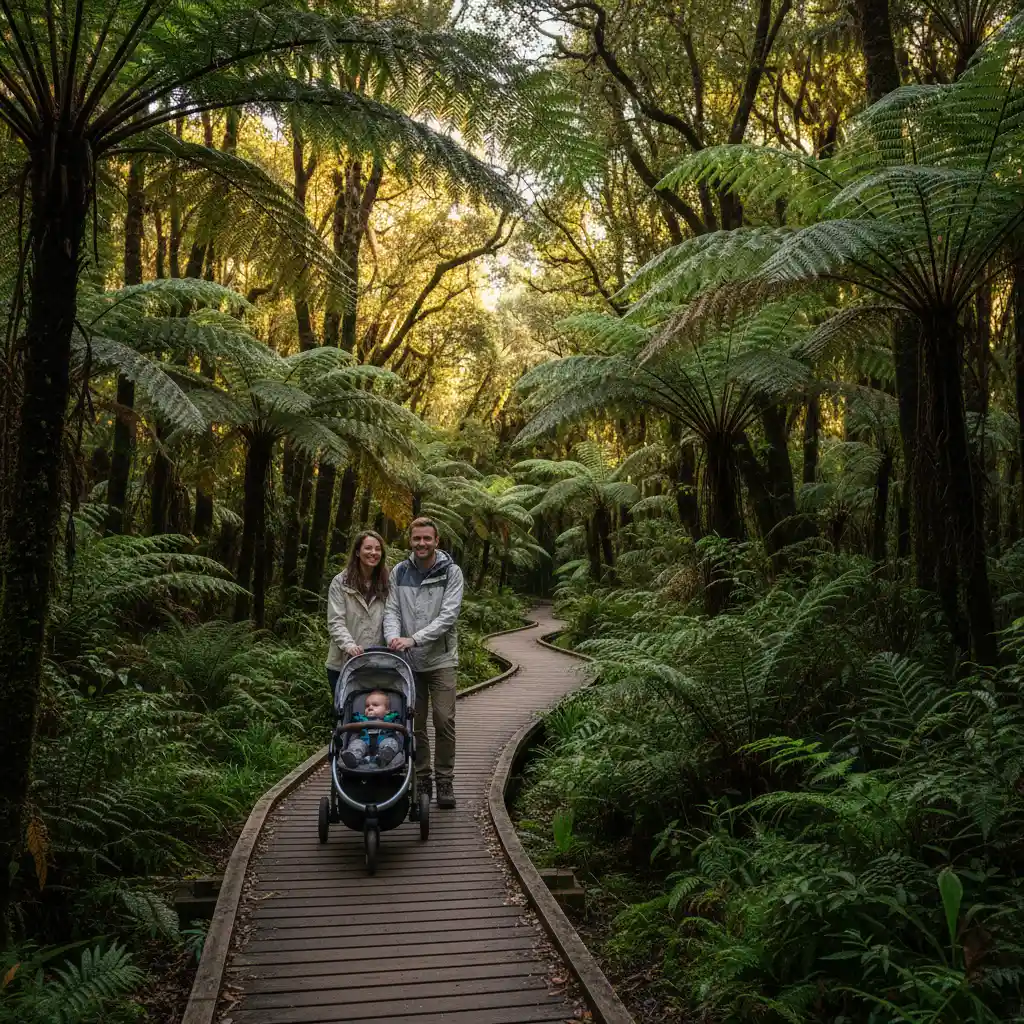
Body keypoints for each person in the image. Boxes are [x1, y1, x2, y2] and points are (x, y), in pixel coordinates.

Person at [383, 517, 465, 809]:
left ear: (436, 541)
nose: (421, 544)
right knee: (414, 723)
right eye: (417, 538)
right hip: (408, 662)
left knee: (444, 721)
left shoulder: (451, 573)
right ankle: (422, 778)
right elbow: (391, 610)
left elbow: (448, 617)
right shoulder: (399, 572)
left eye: (426, 539)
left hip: (440, 659)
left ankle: (445, 779)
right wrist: (394, 638)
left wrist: (414, 638)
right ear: (410, 540)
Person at [325, 531, 389, 698]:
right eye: (368, 548)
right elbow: (335, 621)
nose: (373, 553)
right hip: (343, 664)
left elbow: (392, 617)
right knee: (345, 714)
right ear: (357, 552)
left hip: (376, 664)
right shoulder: (340, 583)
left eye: (377, 549)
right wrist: (349, 646)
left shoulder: (386, 583)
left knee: (373, 714)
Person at [340, 690, 402, 768]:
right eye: (367, 706)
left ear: (387, 711)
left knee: (391, 742)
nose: (370, 707)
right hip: (364, 746)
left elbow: (399, 732)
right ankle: (353, 757)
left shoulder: (391, 719)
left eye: (375, 705)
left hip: (383, 743)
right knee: (357, 743)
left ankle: (384, 757)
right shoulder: (360, 719)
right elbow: (352, 730)